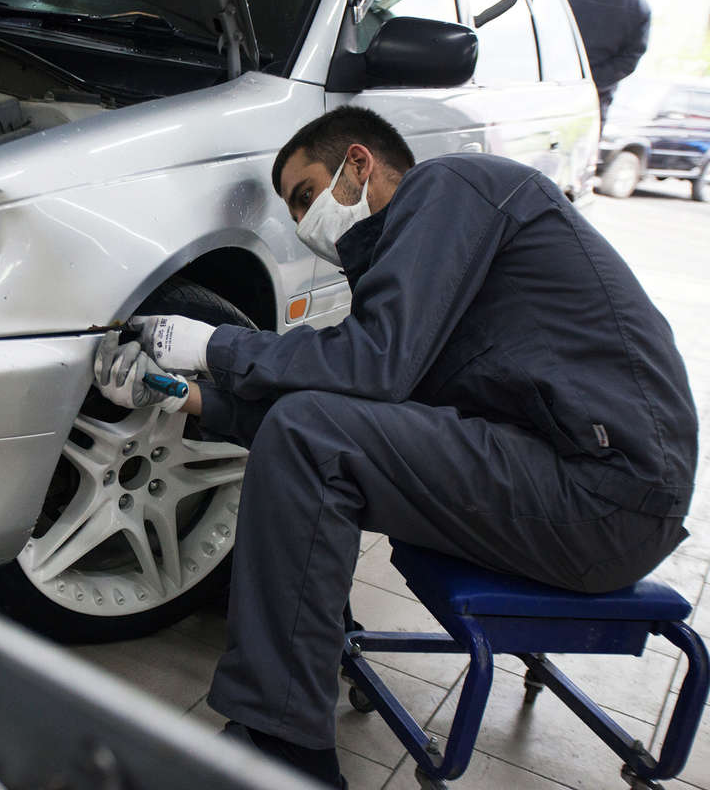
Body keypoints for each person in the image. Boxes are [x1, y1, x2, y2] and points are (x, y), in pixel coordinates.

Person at [93, 106, 697, 788]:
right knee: (316, 428)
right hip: (575, 493)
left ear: (359, 163)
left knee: (313, 430)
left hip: (604, 493)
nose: (304, 223)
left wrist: (214, 343)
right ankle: (291, 690)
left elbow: (368, 369)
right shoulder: (432, 273)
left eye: (305, 195)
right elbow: (370, 417)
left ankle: (286, 747)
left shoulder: (452, 187)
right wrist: (182, 394)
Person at [564, 0, 651, 129]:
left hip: (555, 85)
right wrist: (592, 81)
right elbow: (630, 59)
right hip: (596, 96)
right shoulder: (638, 6)